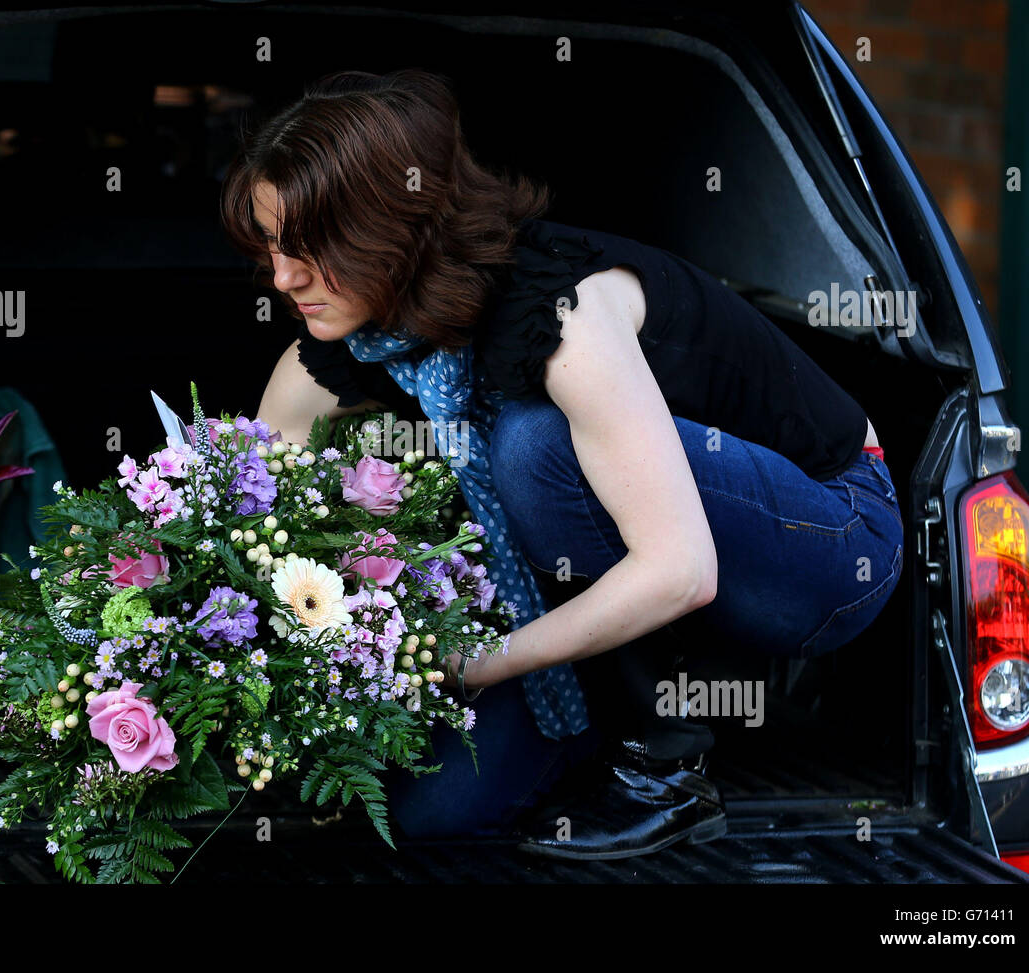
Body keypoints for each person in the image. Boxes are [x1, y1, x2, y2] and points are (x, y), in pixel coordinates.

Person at [219, 68, 904, 859]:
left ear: (394, 225)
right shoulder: (348, 346)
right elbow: (242, 513)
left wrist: (476, 663)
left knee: (532, 448)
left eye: (311, 249)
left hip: (830, 536)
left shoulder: (564, 311)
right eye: (272, 244)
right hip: (617, 575)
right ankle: (594, 721)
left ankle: (664, 767)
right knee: (433, 810)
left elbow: (680, 569)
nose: (282, 277)